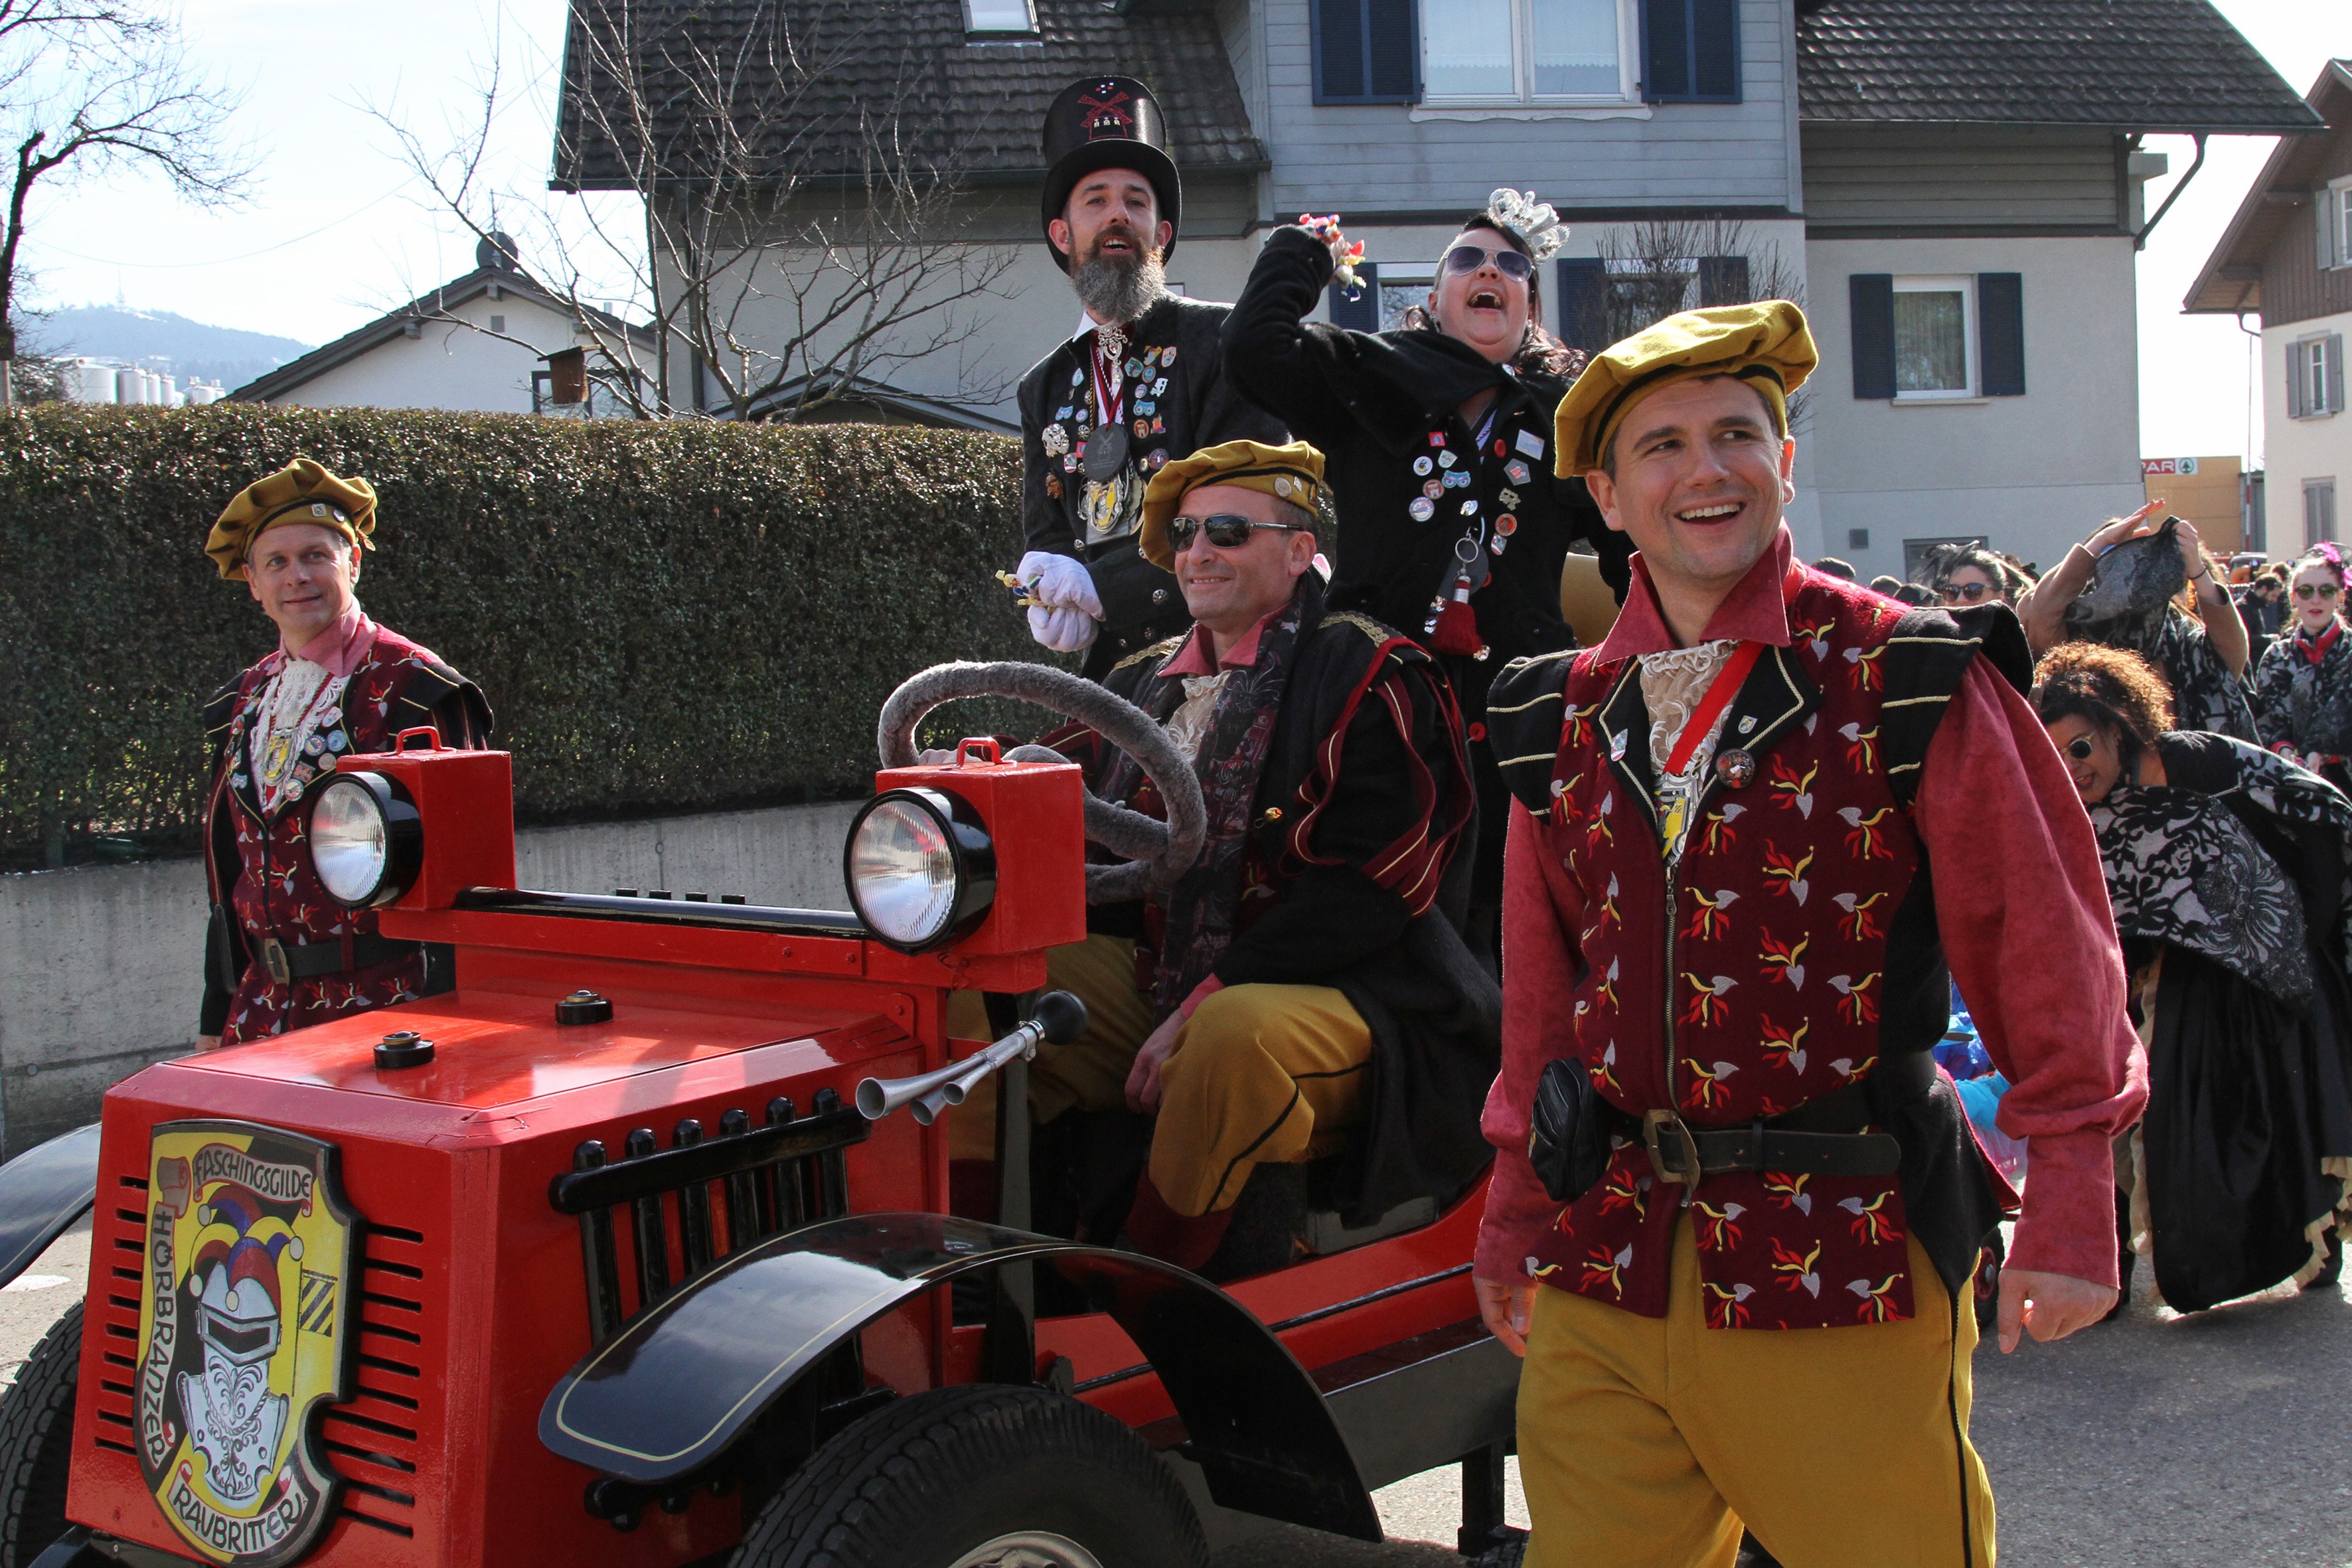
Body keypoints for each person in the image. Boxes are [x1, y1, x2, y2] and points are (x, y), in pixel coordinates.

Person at [1473, 302, 2144, 1567]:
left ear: (1783, 461)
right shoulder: (1552, 715)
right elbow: (1541, 999)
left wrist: (2070, 1193)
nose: (1707, 469)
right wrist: (1514, 1208)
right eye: (1661, 446)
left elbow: (2042, 937)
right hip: (1610, 1254)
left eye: (1737, 434)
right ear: (1606, 496)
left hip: (1842, 1245)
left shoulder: (1906, 671)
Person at [950, 439, 1492, 1273]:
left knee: (1225, 1038)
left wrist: (1208, 992)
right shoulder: (1139, 680)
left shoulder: (1373, 670)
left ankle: (1148, 1293)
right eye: (1186, 533)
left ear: (1301, 551)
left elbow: (1372, 893)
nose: (1198, 551)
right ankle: (968, 1267)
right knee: (968, 984)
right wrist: (971, 777)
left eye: (1230, 531)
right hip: (1164, 970)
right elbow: (1059, 798)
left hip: (1362, 992)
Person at [1220, 188, 1621, 954]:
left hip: (1521, 712)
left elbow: (1631, 548)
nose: (1490, 271)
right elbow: (1253, 348)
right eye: (1467, 260)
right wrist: (1307, 252)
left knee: (1514, 922)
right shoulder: (1371, 378)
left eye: (1512, 266)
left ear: (1529, 309)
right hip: (1379, 704)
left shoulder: (1567, 415)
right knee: (1370, 900)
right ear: (1434, 301)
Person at [2034, 643, 2352, 1308]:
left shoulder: (2198, 761)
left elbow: (2319, 807)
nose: (2072, 768)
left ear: (2119, 730)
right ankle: (2111, 1265)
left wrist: (2306, 927)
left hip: (2255, 967)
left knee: (2256, 1119)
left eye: (2081, 748)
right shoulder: (2071, 807)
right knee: (2128, 1114)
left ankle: (2303, 1242)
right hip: (2147, 973)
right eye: (2054, 755)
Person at [200, 459, 491, 1048]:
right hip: (260, 1014)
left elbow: (469, 882)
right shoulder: (239, 702)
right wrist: (214, 1017)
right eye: (276, 562)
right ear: (252, 583)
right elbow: (228, 871)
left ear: (353, 562)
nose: (297, 577)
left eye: (316, 556)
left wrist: (461, 1027)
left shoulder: (417, 689)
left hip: (391, 1014)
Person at [1010, 76, 1285, 679]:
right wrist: (1046, 590)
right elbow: (1048, 531)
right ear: (1062, 234)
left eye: (1136, 202)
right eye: (1096, 201)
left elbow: (1243, 511)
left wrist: (1103, 586)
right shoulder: (1043, 388)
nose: (1118, 215)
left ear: (1160, 236)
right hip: (1113, 668)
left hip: (1231, 652)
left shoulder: (1223, 341)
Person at [2016, 501, 2256, 741]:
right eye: (2114, 563)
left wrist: (2197, 570)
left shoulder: (2178, 634)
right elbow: (2041, 612)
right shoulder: (2075, 630)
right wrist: (2099, 544)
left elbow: (2229, 655)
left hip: (2174, 758)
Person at [2251, 547, 2352, 791]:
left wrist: (2323, 752)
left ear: (2340, 598)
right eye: (2306, 591)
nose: (2316, 599)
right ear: (2293, 598)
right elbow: (2267, 719)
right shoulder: (2276, 656)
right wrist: (2284, 749)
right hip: (2293, 782)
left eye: (2326, 591)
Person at [1918, 540, 2023, 607]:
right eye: (1952, 591)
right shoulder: (1935, 635)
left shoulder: (2013, 635)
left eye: (1973, 591)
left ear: (1999, 596)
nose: (1960, 599)